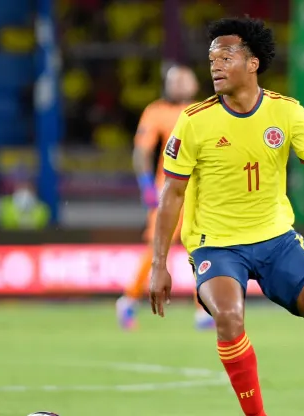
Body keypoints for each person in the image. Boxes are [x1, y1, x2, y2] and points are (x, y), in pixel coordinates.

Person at [149, 18, 304, 416]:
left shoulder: (287, 113)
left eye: (226, 57)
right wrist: (159, 264)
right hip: (218, 245)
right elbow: (172, 193)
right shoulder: (193, 121)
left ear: (253, 63)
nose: (215, 66)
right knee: (228, 316)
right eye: (211, 60)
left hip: (277, 239)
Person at [115, 64, 215, 331]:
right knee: (158, 248)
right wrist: (146, 185)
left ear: (194, 85)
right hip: (168, 189)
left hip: (199, 191)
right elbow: (141, 153)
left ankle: (202, 310)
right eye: (175, 81)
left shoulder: (204, 111)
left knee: (202, 247)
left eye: (185, 80)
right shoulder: (156, 111)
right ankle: (128, 299)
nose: (179, 85)